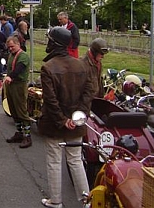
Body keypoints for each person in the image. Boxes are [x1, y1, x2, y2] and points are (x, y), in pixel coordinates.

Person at [38, 26, 95, 208]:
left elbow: (50, 100)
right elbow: (88, 94)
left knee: (54, 161)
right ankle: (87, 201)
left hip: (54, 123)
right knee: (76, 160)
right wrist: (77, 117)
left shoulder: (48, 67)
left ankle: (56, 201)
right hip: (76, 122)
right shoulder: (81, 65)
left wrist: (62, 120)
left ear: (53, 43)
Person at [4, 35, 32, 148]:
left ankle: (28, 136)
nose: (10, 49)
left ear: (18, 44)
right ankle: (19, 133)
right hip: (11, 85)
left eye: (12, 46)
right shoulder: (11, 55)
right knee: (13, 110)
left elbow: (19, 69)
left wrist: (10, 77)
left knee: (21, 110)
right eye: (8, 47)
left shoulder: (23, 56)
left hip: (19, 85)